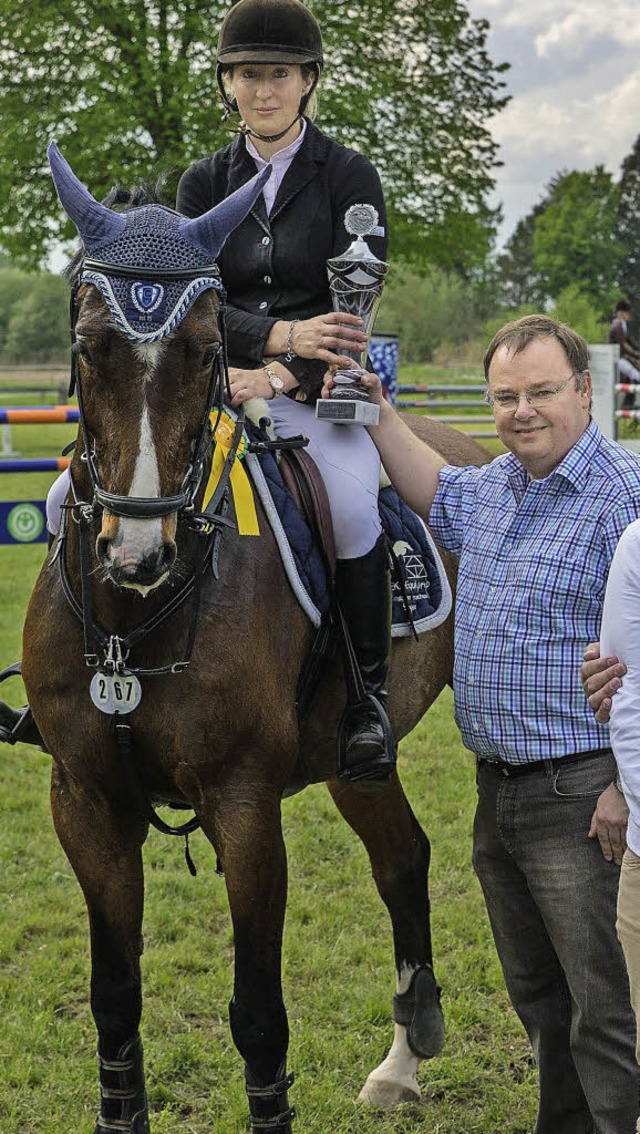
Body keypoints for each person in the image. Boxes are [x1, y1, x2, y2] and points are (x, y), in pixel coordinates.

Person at [2, 0, 395, 786]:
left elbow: (351, 307)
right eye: (249, 76)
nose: (264, 90)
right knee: (56, 503)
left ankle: (364, 702)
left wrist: (286, 371)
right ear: (229, 86)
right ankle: (62, 696)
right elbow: (177, 304)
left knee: (353, 508)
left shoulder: (348, 177)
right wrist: (270, 342)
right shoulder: (203, 181)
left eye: (279, 75)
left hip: (316, 396)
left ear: (308, 82)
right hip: (207, 389)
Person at [323, 313, 640, 1133]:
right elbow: (431, 480)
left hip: (584, 794)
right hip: (499, 790)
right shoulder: (497, 486)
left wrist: (623, 788)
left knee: (607, 1006)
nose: (521, 410)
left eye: (540, 392)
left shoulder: (627, 499)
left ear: (584, 390)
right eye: (505, 396)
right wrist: (378, 407)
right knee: (538, 995)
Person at [609, 299, 640, 410]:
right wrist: (636, 356)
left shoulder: (623, 324)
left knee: (630, 375)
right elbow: (622, 348)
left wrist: (638, 350)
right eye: (627, 312)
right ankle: (628, 403)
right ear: (621, 312)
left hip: (620, 356)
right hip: (616, 358)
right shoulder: (617, 326)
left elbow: (630, 341)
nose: (629, 315)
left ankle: (628, 402)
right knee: (636, 375)